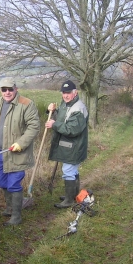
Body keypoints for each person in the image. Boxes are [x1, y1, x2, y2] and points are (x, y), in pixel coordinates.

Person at [0, 77, 40, 225]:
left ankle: (16, 216)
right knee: (1, 182)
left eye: (10, 89)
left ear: (16, 89)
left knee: (13, 184)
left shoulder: (26, 104)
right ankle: (9, 207)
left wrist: (21, 143)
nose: (7, 92)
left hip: (17, 153)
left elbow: (34, 127)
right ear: (0, 90)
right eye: (4, 89)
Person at [45, 80, 88, 208]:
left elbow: (72, 129)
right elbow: (62, 117)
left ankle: (69, 201)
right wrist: (51, 112)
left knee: (68, 170)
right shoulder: (66, 104)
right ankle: (73, 195)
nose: (65, 95)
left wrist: (54, 124)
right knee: (72, 170)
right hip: (68, 146)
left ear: (75, 93)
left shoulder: (78, 108)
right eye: (64, 92)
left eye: (68, 92)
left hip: (74, 146)